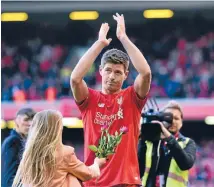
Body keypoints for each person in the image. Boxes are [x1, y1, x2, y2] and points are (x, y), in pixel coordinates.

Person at [70, 13, 151, 187]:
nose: (112, 76)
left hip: (126, 182)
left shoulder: (132, 98)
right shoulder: (89, 99)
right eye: (108, 70)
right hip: (94, 182)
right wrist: (99, 44)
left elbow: (145, 73)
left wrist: (123, 37)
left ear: (126, 75)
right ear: (100, 71)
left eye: (118, 72)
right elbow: (75, 79)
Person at [12, 110, 106, 187]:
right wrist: (97, 163)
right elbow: (87, 174)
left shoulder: (28, 154)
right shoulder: (64, 153)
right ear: (56, 128)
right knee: (71, 175)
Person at [138, 101, 197, 187]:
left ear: (181, 122)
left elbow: (186, 164)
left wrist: (168, 137)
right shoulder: (150, 142)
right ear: (160, 120)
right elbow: (138, 170)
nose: (172, 121)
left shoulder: (188, 142)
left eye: (176, 118)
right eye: (168, 118)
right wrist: (142, 139)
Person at [1, 108, 36, 187]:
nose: (30, 123)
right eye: (26, 120)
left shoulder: (20, 141)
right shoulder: (13, 141)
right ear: (16, 122)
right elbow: (9, 176)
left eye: (32, 120)